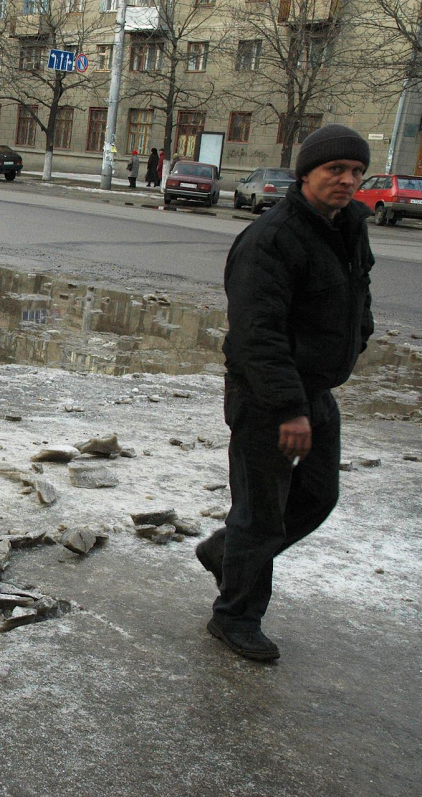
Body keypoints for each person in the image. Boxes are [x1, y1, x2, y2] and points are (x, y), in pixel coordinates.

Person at [194, 125, 374, 662]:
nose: (348, 180)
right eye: (335, 170)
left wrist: (356, 339)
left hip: (314, 391)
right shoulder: (272, 238)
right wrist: (289, 408)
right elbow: (257, 334)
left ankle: (226, 554)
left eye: (357, 172)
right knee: (260, 512)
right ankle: (235, 617)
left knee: (317, 496)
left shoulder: (346, 228)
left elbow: (357, 298)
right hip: (266, 398)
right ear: (306, 175)